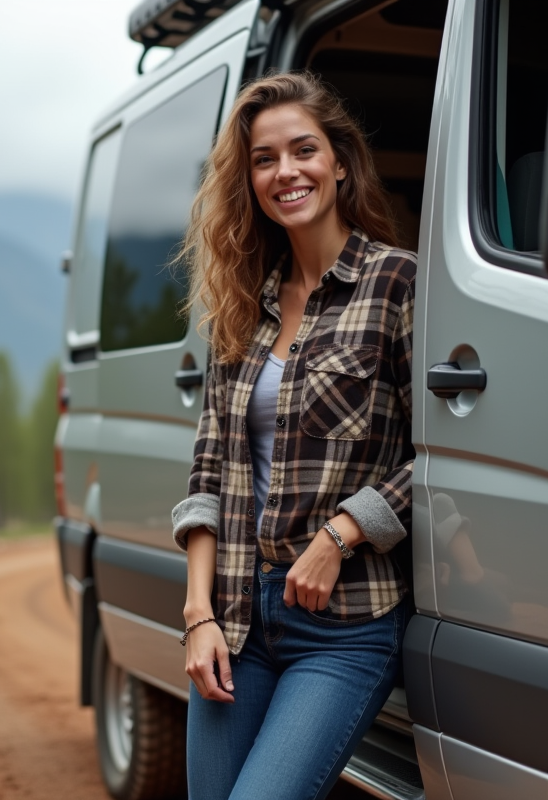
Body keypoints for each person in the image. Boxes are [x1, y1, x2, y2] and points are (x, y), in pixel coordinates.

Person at [170, 71, 417, 800]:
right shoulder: (242, 306)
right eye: (264, 159)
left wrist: (342, 533)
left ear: (339, 160)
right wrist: (198, 615)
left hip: (343, 626)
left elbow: (437, 456)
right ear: (250, 179)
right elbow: (208, 471)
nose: (286, 172)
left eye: (303, 150)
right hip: (239, 617)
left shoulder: (394, 285)